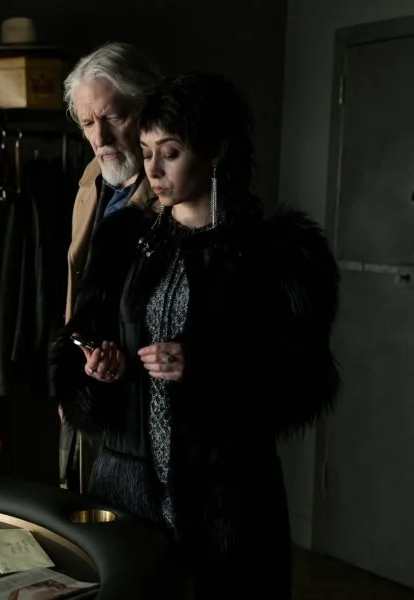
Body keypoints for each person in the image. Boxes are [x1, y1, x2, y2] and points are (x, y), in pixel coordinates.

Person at [50, 72, 340, 598]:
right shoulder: (121, 241)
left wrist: (208, 365)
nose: (153, 170)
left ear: (215, 151)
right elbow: (77, 346)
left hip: (228, 496)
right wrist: (98, 366)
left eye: (171, 152)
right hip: (126, 487)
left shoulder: (279, 255)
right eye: (146, 152)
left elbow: (305, 380)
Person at [58, 41, 162, 493]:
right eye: (87, 123)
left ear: (148, 110)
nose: (99, 138)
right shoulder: (92, 184)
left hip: (148, 424)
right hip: (90, 394)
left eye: (113, 117)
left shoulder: (176, 200)